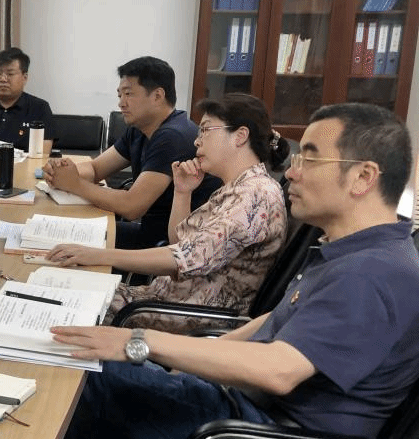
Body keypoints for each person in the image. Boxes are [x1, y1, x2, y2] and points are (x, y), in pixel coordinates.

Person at [27, 102, 419, 439]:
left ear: (363, 177)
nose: (292, 171)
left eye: (310, 158)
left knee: (89, 384)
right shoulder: (354, 250)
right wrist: (179, 364)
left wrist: (142, 343)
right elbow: (271, 320)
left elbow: (279, 371)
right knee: (90, 395)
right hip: (258, 423)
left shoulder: (372, 274)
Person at [46, 93, 288, 332]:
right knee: (61, 283)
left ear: (240, 136)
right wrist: (182, 192)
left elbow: (182, 258)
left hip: (188, 315)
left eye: (205, 130)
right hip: (165, 300)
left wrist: (97, 255)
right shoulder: (237, 188)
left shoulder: (255, 195)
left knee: (63, 299)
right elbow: (181, 243)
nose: (197, 141)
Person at [44, 56, 221, 249]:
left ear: (157, 96)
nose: (121, 103)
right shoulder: (140, 128)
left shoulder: (173, 136)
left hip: (169, 244)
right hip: (151, 231)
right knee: (64, 229)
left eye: (128, 94)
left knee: (69, 237)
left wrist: (75, 184)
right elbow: (95, 168)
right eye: (119, 95)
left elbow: (132, 206)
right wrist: (60, 172)